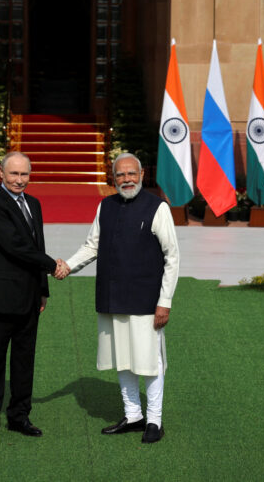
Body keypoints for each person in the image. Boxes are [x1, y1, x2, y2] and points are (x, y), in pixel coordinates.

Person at [57, 153, 179, 444]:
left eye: (131, 174)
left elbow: (172, 257)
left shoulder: (158, 207)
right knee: (122, 358)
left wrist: (165, 301)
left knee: (150, 362)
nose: (127, 179)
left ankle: (154, 420)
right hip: (112, 298)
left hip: (146, 301)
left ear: (142, 175)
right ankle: (133, 415)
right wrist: (67, 266)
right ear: (113, 179)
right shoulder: (106, 206)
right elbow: (92, 246)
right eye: (121, 175)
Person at [0, 151, 68, 443]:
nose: (19, 180)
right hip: (0, 298)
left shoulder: (34, 204)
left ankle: (19, 416)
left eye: (24, 174)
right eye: (13, 174)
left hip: (29, 297)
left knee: (24, 361)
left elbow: (37, 245)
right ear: (1, 173)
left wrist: (43, 290)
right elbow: (15, 246)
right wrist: (53, 265)